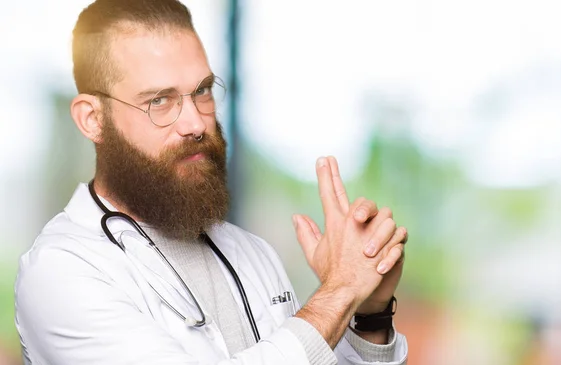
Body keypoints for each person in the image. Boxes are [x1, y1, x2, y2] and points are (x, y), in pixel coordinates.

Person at [13, 1, 409, 364]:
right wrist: (340, 291)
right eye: (159, 101)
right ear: (92, 119)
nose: (196, 123)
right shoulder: (60, 272)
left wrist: (369, 312)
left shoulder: (251, 253)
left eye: (202, 91)